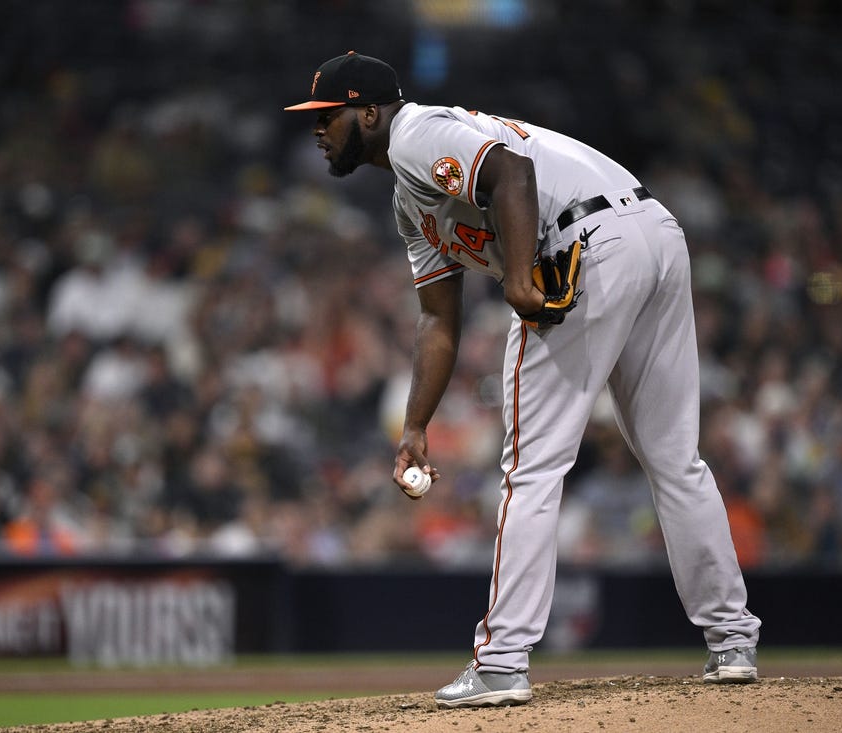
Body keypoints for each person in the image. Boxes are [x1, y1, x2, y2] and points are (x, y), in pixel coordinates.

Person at [284, 51, 761, 708]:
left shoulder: (417, 133)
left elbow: (512, 171)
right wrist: (416, 424)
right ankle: (732, 641)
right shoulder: (410, 201)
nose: (318, 130)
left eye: (328, 116)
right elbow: (436, 321)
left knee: (532, 467)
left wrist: (516, 279)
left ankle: (503, 659)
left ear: (369, 111)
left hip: (585, 243)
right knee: (676, 459)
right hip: (652, 235)